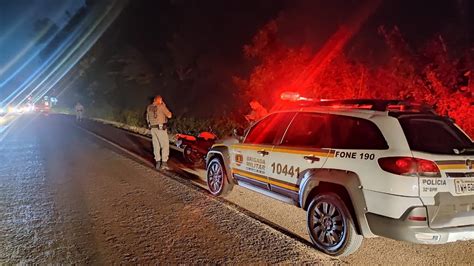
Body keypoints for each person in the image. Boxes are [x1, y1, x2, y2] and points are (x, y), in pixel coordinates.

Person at [147, 95, 172, 170]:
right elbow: (169, 115)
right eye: (161, 100)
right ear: (159, 100)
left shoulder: (149, 107)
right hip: (160, 129)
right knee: (165, 145)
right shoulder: (161, 106)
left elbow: (147, 118)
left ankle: (157, 162)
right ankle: (164, 163)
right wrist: (164, 105)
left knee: (156, 145)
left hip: (153, 129)